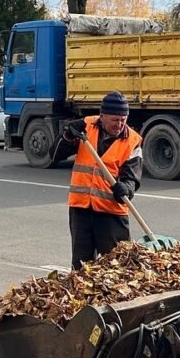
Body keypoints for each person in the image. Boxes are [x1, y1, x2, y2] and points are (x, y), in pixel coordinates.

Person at [61, 91, 143, 269]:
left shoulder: (132, 141)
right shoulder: (85, 127)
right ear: (102, 116)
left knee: (117, 267)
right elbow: (55, 154)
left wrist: (126, 188)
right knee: (81, 266)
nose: (119, 125)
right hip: (81, 209)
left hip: (111, 213)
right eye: (115, 120)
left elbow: (132, 178)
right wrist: (68, 137)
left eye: (123, 120)